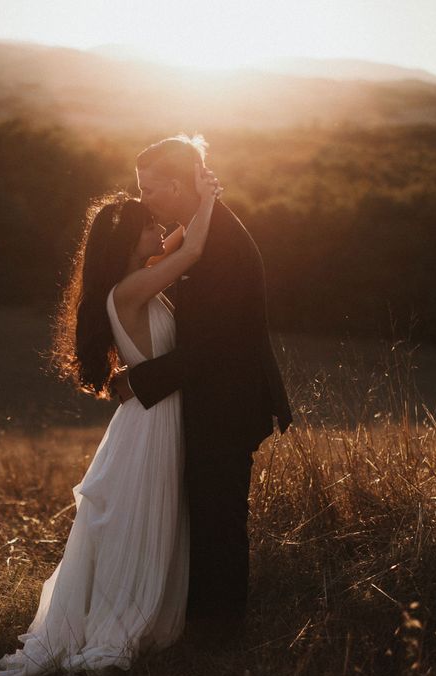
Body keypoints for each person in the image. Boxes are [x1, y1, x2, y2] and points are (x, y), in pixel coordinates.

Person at [0, 164, 221, 676]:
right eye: (149, 225)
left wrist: (192, 208)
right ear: (131, 240)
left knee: (149, 521)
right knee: (141, 523)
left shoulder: (132, 279)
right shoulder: (129, 290)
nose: (159, 230)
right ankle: (116, 630)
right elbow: (192, 250)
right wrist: (210, 197)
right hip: (152, 424)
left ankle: (132, 619)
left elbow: (176, 241)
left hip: (151, 417)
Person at [112, 135, 292, 636]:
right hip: (214, 398)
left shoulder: (222, 245)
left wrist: (139, 380)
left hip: (230, 403)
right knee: (206, 511)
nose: (141, 199)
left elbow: (217, 344)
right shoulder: (199, 230)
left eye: (148, 190)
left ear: (174, 186)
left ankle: (219, 635)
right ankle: (200, 622)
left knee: (219, 516)